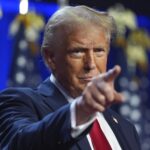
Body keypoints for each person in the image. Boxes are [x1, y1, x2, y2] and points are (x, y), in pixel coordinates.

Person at [0, 5, 141, 150]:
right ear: (50, 58)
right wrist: (81, 111)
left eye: (99, 51)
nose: (91, 64)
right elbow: (21, 143)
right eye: (78, 51)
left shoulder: (126, 128)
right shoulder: (19, 102)